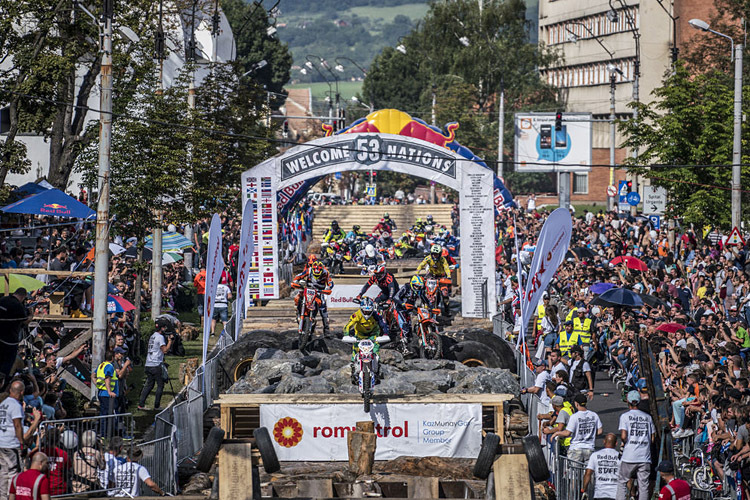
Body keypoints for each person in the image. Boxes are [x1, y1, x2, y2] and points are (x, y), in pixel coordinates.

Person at [616, 391, 656, 500]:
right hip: (644, 456)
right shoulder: (648, 417)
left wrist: (626, 442)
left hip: (629, 455)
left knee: (622, 481)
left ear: (628, 402)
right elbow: (652, 437)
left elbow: (624, 436)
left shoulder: (625, 416)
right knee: (643, 485)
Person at [343, 297, 388, 383]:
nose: (366, 313)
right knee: (355, 349)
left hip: (373, 334)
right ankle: (354, 369)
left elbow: (383, 324)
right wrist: (346, 335)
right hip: (360, 335)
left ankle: (376, 371)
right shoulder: (357, 315)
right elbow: (348, 326)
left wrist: (385, 334)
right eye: (365, 311)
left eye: (368, 311)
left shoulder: (376, 315)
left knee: (375, 349)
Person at [552, 393, 603, 463]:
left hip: (576, 448)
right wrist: (590, 433)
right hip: (589, 447)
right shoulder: (594, 415)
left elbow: (567, 433)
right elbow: (600, 431)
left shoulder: (575, 417)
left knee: (574, 471)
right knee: (588, 471)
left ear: (576, 404)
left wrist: (557, 433)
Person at [137, 318, 173, 410]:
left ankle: (141, 404)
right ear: (161, 328)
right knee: (160, 385)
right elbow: (164, 350)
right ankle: (157, 406)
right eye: (164, 327)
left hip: (148, 364)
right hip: (156, 365)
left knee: (149, 385)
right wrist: (170, 341)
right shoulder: (160, 337)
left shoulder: (153, 336)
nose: (165, 329)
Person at [292, 260, 333, 335]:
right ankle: (298, 312)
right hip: (308, 289)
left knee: (323, 308)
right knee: (297, 297)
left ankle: (326, 329)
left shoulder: (325, 272)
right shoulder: (309, 270)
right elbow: (299, 275)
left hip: (319, 291)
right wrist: (295, 281)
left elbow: (330, 282)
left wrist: (328, 288)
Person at [0, 380, 25, 497]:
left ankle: (3, 496)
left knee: (3, 472)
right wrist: (21, 442)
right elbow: (17, 425)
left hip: (1, 442)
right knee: (13, 472)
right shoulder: (15, 405)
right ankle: (12, 496)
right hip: (11, 443)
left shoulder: (3, 404)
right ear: (21, 392)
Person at [0, 289, 29, 389]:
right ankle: (2, 383)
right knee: (7, 364)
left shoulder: (3, 299)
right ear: (23, 296)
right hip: (9, 341)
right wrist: (32, 314)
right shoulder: (18, 306)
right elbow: (26, 321)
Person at [391, 275, 428, 348]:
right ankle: (404, 347)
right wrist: (403, 304)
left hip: (410, 309)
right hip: (400, 309)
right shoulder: (406, 287)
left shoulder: (420, 291)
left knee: (410, 330)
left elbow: (425, 299)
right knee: (405, 326)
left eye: (419, 286)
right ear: (412, 284)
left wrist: (431, 307)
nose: (417, 288)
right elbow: (395, 297)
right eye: (416, 286)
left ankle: (410, 344)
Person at [582, 433, 621, 500]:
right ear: (616, 443)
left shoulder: (595, 455)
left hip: (599, 494)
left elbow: (588, 474)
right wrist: (632, 493)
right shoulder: (621, 457)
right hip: (615, 494)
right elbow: (627, 476)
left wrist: (584, 489)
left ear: (604, 442)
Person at [95, 350, 119, 437]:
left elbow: (93, 375)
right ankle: (110, 434)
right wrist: (109, 391)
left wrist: (98, 385)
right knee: (111, 414)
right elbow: (107, 378)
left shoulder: (101, 365)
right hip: (107, 395)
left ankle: (103, 434)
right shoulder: (109, 366)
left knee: (103, 414)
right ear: (112, 358)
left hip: (102, 393)